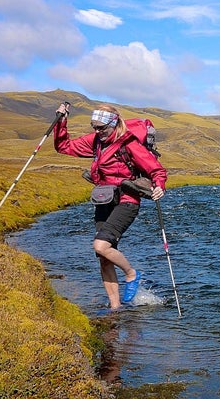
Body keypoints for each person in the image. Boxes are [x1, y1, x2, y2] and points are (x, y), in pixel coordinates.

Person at [53, 102, 167, 310]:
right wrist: (62, 121)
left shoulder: (129, 144)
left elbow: (156, 170)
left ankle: (131, 274)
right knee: (103, 257)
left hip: (127, 201)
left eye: (101, 128)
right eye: (94, 127)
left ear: (113, 124)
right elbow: (64, 146)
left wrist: (159, 186)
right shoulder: (96, 141)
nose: (97, 132)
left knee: (101, 246)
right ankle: (115, 309)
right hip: (104, 200)